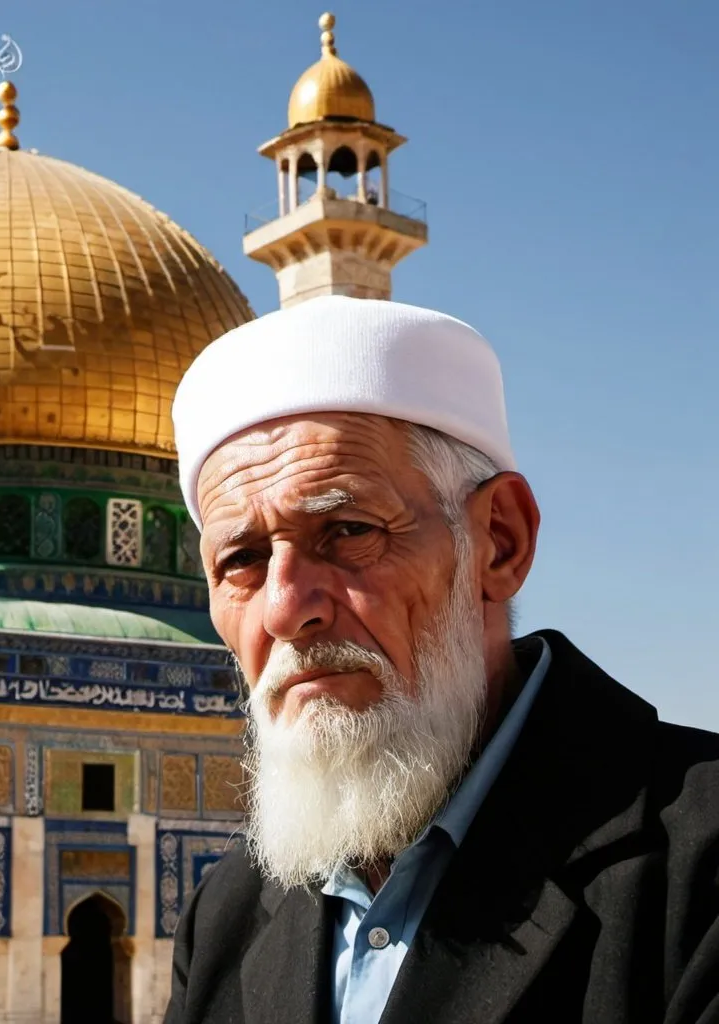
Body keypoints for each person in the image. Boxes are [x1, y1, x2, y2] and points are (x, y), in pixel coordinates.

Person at [163, 296, 719, 1024]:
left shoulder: (693, 872)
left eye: (349, 530)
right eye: (241, 559)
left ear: (499, 541)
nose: (285, 608)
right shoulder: (228, 915)